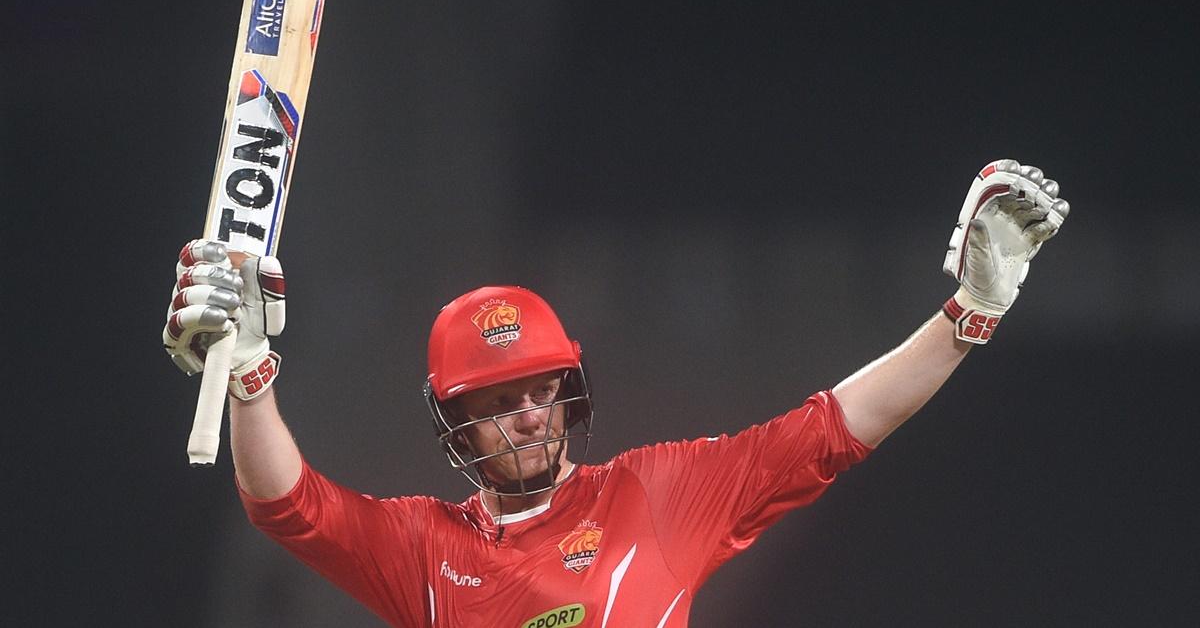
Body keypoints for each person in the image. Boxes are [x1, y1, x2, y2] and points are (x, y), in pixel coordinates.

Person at [163, 158, 1069, 627]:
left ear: (568, 394)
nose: (526, 413)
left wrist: (970, 313)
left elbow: (834, 428)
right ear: (457, 425)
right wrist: (248, 376)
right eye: (497, 401)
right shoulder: (424, 554)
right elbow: (288, 507)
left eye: (539, 391)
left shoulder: (656, 495)